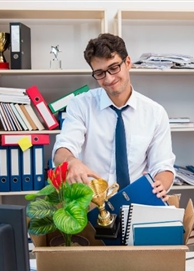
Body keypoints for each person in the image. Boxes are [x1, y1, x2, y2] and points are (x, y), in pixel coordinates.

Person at [52, 33, 175, 201]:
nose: (109, 78)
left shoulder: (155, 113)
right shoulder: (80, 105)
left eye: (114, 67)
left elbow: (163, 165)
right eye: (100, 73)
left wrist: (160, 184)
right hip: (90, 202)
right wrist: (71, 162)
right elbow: (62, 150)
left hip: (136, 201)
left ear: (128, 63)